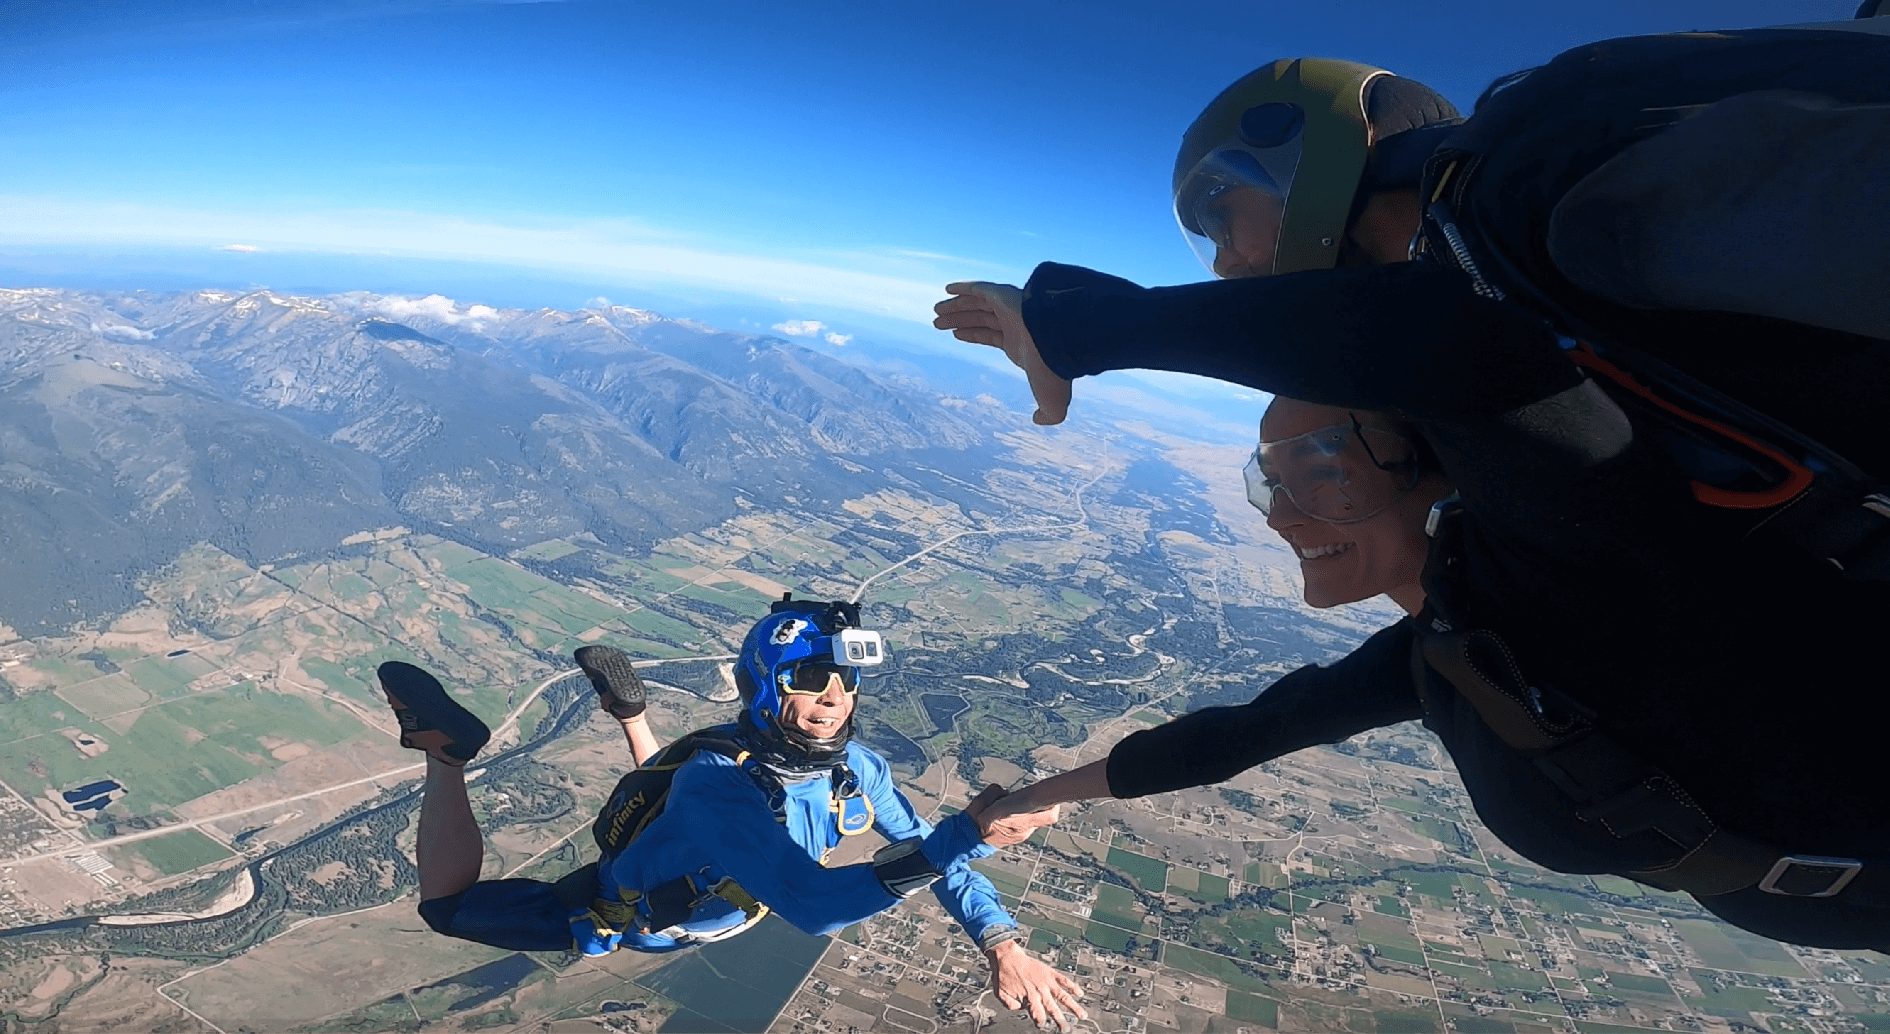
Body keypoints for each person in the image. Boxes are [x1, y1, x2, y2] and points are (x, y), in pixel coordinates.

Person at [935, 16, 1890, 949]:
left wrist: (1087, 328)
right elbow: (1236, 737)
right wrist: (1028, 805)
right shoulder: (1453, 648)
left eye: (1322, 466)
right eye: (1268, 477)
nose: (1283, 511)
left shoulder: (1587, 542)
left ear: (1433, 461)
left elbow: (1459, 353)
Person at [377, 598, 1088, 1027]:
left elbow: (934, 854)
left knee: (684, 822)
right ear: (766, 685)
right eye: (810, 678)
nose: (834, 694)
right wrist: (969, 835)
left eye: (845, 679)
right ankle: (447, 754)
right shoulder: (721, 784)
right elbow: (815, 906)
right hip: (613, 915)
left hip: (698, 862)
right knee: (446, 908)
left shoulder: (855, 770)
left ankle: (631, 715)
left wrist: (1002, 941)